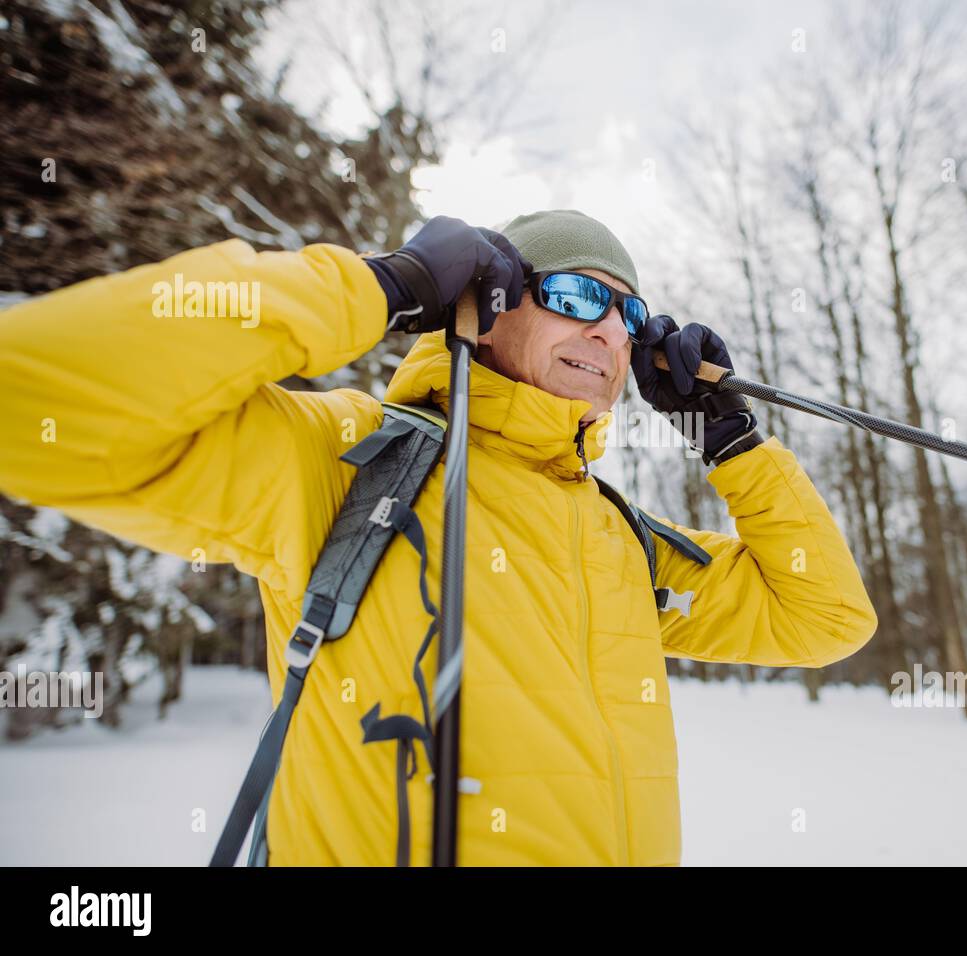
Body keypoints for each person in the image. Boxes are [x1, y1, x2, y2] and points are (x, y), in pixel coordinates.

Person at [0, 210, 877, 866]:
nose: (609, 332)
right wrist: (380, 286)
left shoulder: (620, 540)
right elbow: (27, 400)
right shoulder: (346, 461)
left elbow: (822, 616)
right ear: (488, 309)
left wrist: (731, 444)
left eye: (632, 318)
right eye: (577, 296)